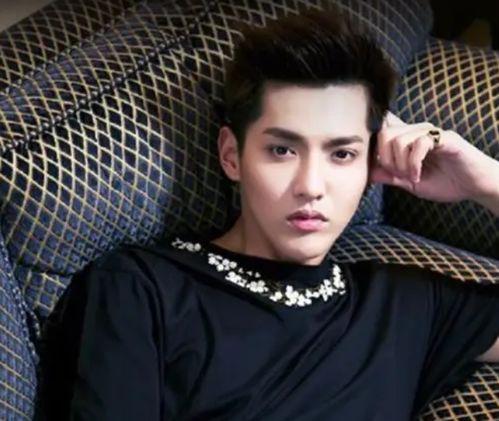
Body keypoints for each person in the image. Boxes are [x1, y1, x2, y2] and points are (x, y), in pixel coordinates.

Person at [35, 6, 499, 421]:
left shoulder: (401, 305)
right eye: (282, 150)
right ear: (231, 155)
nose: (311, 186)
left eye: (342, 154)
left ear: (369, 165)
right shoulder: (140, 288)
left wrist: (483, 181)